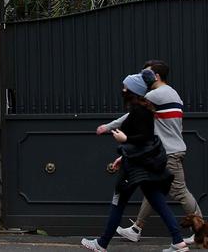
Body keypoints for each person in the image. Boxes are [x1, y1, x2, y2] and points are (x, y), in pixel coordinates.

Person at [81, 69, 189, 252]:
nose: (122, 90)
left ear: (133, 91)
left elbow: (142, 139)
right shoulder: (145, 109)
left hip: (135, 169)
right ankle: (178, 242)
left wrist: (125, 141)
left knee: (118, 203)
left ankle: (101, 244)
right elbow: (145, 140)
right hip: (143, 166)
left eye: (125, 88)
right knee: (159, 203)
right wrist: (123, 156)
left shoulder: (139, 111)